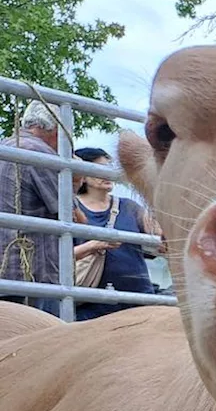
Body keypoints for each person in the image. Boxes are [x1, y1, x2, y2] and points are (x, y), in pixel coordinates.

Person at [71, 146, 156, 320]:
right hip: (90, 306)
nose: (108, 174)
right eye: (100, 168)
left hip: (138, 300)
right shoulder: (70, 208)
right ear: (83, 175)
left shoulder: (130, 206)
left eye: (110, 168)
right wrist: (94, 245)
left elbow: (158, 232)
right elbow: (56, 257)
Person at [0, 101, 64, 315]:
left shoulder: (4, 145)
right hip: (34, 271)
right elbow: (70, 214)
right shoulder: (42, 154)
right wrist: (76, 179)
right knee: (45, 339)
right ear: (56, 129)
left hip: (6, 269)